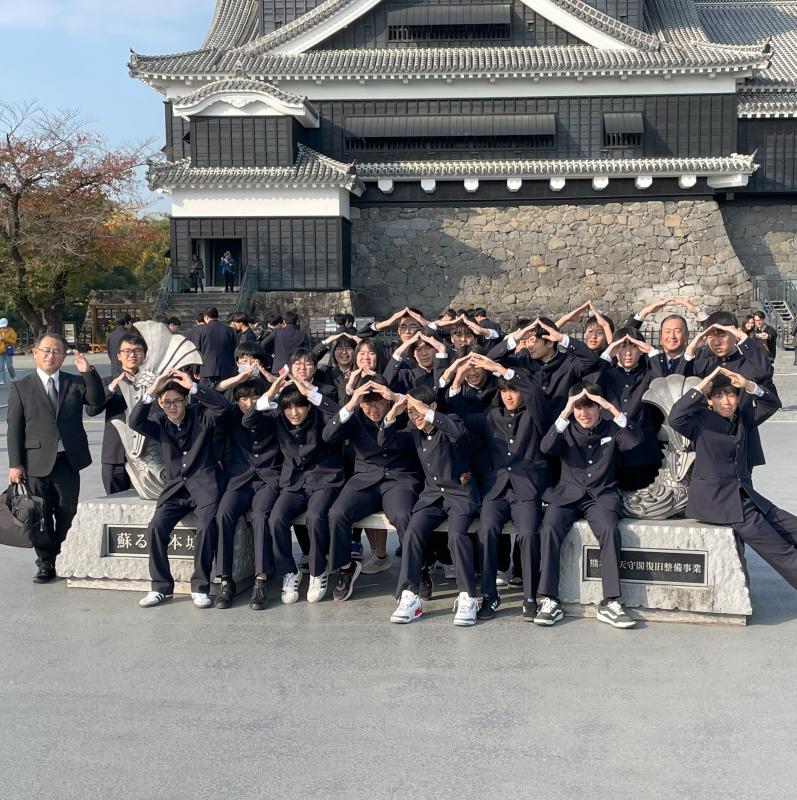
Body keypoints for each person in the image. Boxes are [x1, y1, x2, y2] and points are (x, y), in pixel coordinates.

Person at [669, 366, 797, 593]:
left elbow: (772, 404)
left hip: (746, 496)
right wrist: (704, 384)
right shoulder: (699, 422)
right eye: (719, 396)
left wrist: (747, 385)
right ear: (710, 401)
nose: (726, 401)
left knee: (792, 527)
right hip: (719, 502)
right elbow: (675, 416)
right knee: (781, 551)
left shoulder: (743, 419)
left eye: (731, 395)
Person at [448, 354, 550, 621]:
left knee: (528, 533)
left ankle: (530, 596)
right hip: (495, 491)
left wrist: (499, 369)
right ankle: (489, 595)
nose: (508, 396)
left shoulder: (535, 415)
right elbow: (458, 413)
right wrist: (458, 378)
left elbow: (534, 393)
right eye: (504, 391)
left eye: (512, 390)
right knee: (486, 531)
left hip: (526, 489)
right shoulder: (491, 416)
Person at [534, 383, 641, 629]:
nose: (584, 413)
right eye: (579, 408)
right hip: (566, 496)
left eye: (590, 407)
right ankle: (549, 599)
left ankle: (611, 601)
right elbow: (546, 447)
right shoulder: (566, 428)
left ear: (598, 407)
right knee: (549, 528)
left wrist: (611, 408)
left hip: (601, 495)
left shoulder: (611, 427)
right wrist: (566, 410)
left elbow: (634, 441)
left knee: (609, 530)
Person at [7, 334, 104, 582]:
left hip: (67, 461)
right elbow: (14, 427)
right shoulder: (22, 387)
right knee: (39, 514)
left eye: (57, 351)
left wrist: (87, 372)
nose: (51, 355)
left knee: (67, 512)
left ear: (63, 356)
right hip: (35, 461)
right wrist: (15, 463)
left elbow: (96, 402)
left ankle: (62, 553)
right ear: (35, 353)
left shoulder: (74, 382)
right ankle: (46, 562)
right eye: (46, 350)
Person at [381, 384, 481, 626]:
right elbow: (385, 440)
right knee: (412, 532)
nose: (414, 416)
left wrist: (428, 412)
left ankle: (468, 597)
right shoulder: (413, 431)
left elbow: (459, 434)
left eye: (417, 410)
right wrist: (392, 413)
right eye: (410, 412)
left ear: (432, 406)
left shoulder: (450, 421)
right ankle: (409, 595)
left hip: (459, 494)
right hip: (432, 496)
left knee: (456, 536)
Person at [128, 370, 229, 608]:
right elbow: (134, 422)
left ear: (185, 400)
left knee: (206, 526)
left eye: (177, 401)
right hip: (174, 490)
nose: (172, 407)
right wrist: (152, 390)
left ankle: (200, 587)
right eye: (167, 403)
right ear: (160, 404)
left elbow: (222, 408)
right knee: (156, 527)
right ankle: (161, 587)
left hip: (205, 487)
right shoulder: (159, 423)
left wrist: (193, 386)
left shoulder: (202, 416)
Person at [323, 376, 422, 598]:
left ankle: (416, 572)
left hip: (398, 478)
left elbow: (422, 414)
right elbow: (328, 436)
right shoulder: (354, 415)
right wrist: (352, 401)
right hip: (365, 479)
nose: (373, 409)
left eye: (378, 402)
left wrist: (396, 398)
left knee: (404, 515)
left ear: (386, 399)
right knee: (337, 513)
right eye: (367, 403)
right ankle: (346, 568)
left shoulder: (402, 411)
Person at [255, 378, 343, 604]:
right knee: (276, 518)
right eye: (289, 408)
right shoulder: (278, 419)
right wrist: (271, 392)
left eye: (300, 406)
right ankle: (290, 571)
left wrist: (312, 393)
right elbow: (250, 419)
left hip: (324, 480)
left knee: (315, 516)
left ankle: (318, 571)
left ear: (308, 406)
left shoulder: (320, 415)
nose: (294, 413)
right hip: (293, 483)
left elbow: (337, 413)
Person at [215, 379, 283, 610]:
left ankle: (261, 579)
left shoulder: (273, 414)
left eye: (254, 397)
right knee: (224, 514)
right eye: (243, 398)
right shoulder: (230, 415)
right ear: (236, 401)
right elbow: (211, 396)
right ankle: (225, 580)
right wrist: (236, 379)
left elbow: (255, 417)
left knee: (260, 515)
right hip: (239, 479)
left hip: (268, 479)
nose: (249, 402)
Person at [85, 333, 148, 495]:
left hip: (146, 456)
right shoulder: (108, 382)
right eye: (127, 351)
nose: (132, 355)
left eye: (137, 351)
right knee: (114, 502)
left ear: (144, 355)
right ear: (119, 356)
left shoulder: (153, 383)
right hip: (115, 456)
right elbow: (91, 410)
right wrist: (113, 387)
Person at [625, 296, 707, 374]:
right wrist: (645, 312)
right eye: (667, 331)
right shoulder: (648, 361)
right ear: (660, 336)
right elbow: (623, 337)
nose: (672, 336)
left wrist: (696, 311)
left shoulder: (697, 360)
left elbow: (713, 331)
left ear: (687, 335)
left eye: (677, 331)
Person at [195, 307, 238, 384]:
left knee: (206, 391)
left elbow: (197, 350)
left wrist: (196, 369)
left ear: (206, 317)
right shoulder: (229, 330)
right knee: (226, 391)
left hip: (207, 370)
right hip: (227, 369)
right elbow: (234, 349)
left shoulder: (201, 330)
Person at [107, 313, 132, 377]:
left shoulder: (110, 335)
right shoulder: (130, 335)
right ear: (126, 322)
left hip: (114, 368)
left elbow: (109, 353)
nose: (131, 324)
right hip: (127, 368)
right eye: (130, 321)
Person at [0, 317, 18, 383]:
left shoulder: (11, 331)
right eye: (1, 327)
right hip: (0, 351)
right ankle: (2, 380)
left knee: (9, 365)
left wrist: (5, 339)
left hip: (8, 350)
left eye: (3, 326)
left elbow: (14, 341)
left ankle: (13, 376)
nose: (2, 328)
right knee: (1, 367)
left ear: (7, 324)